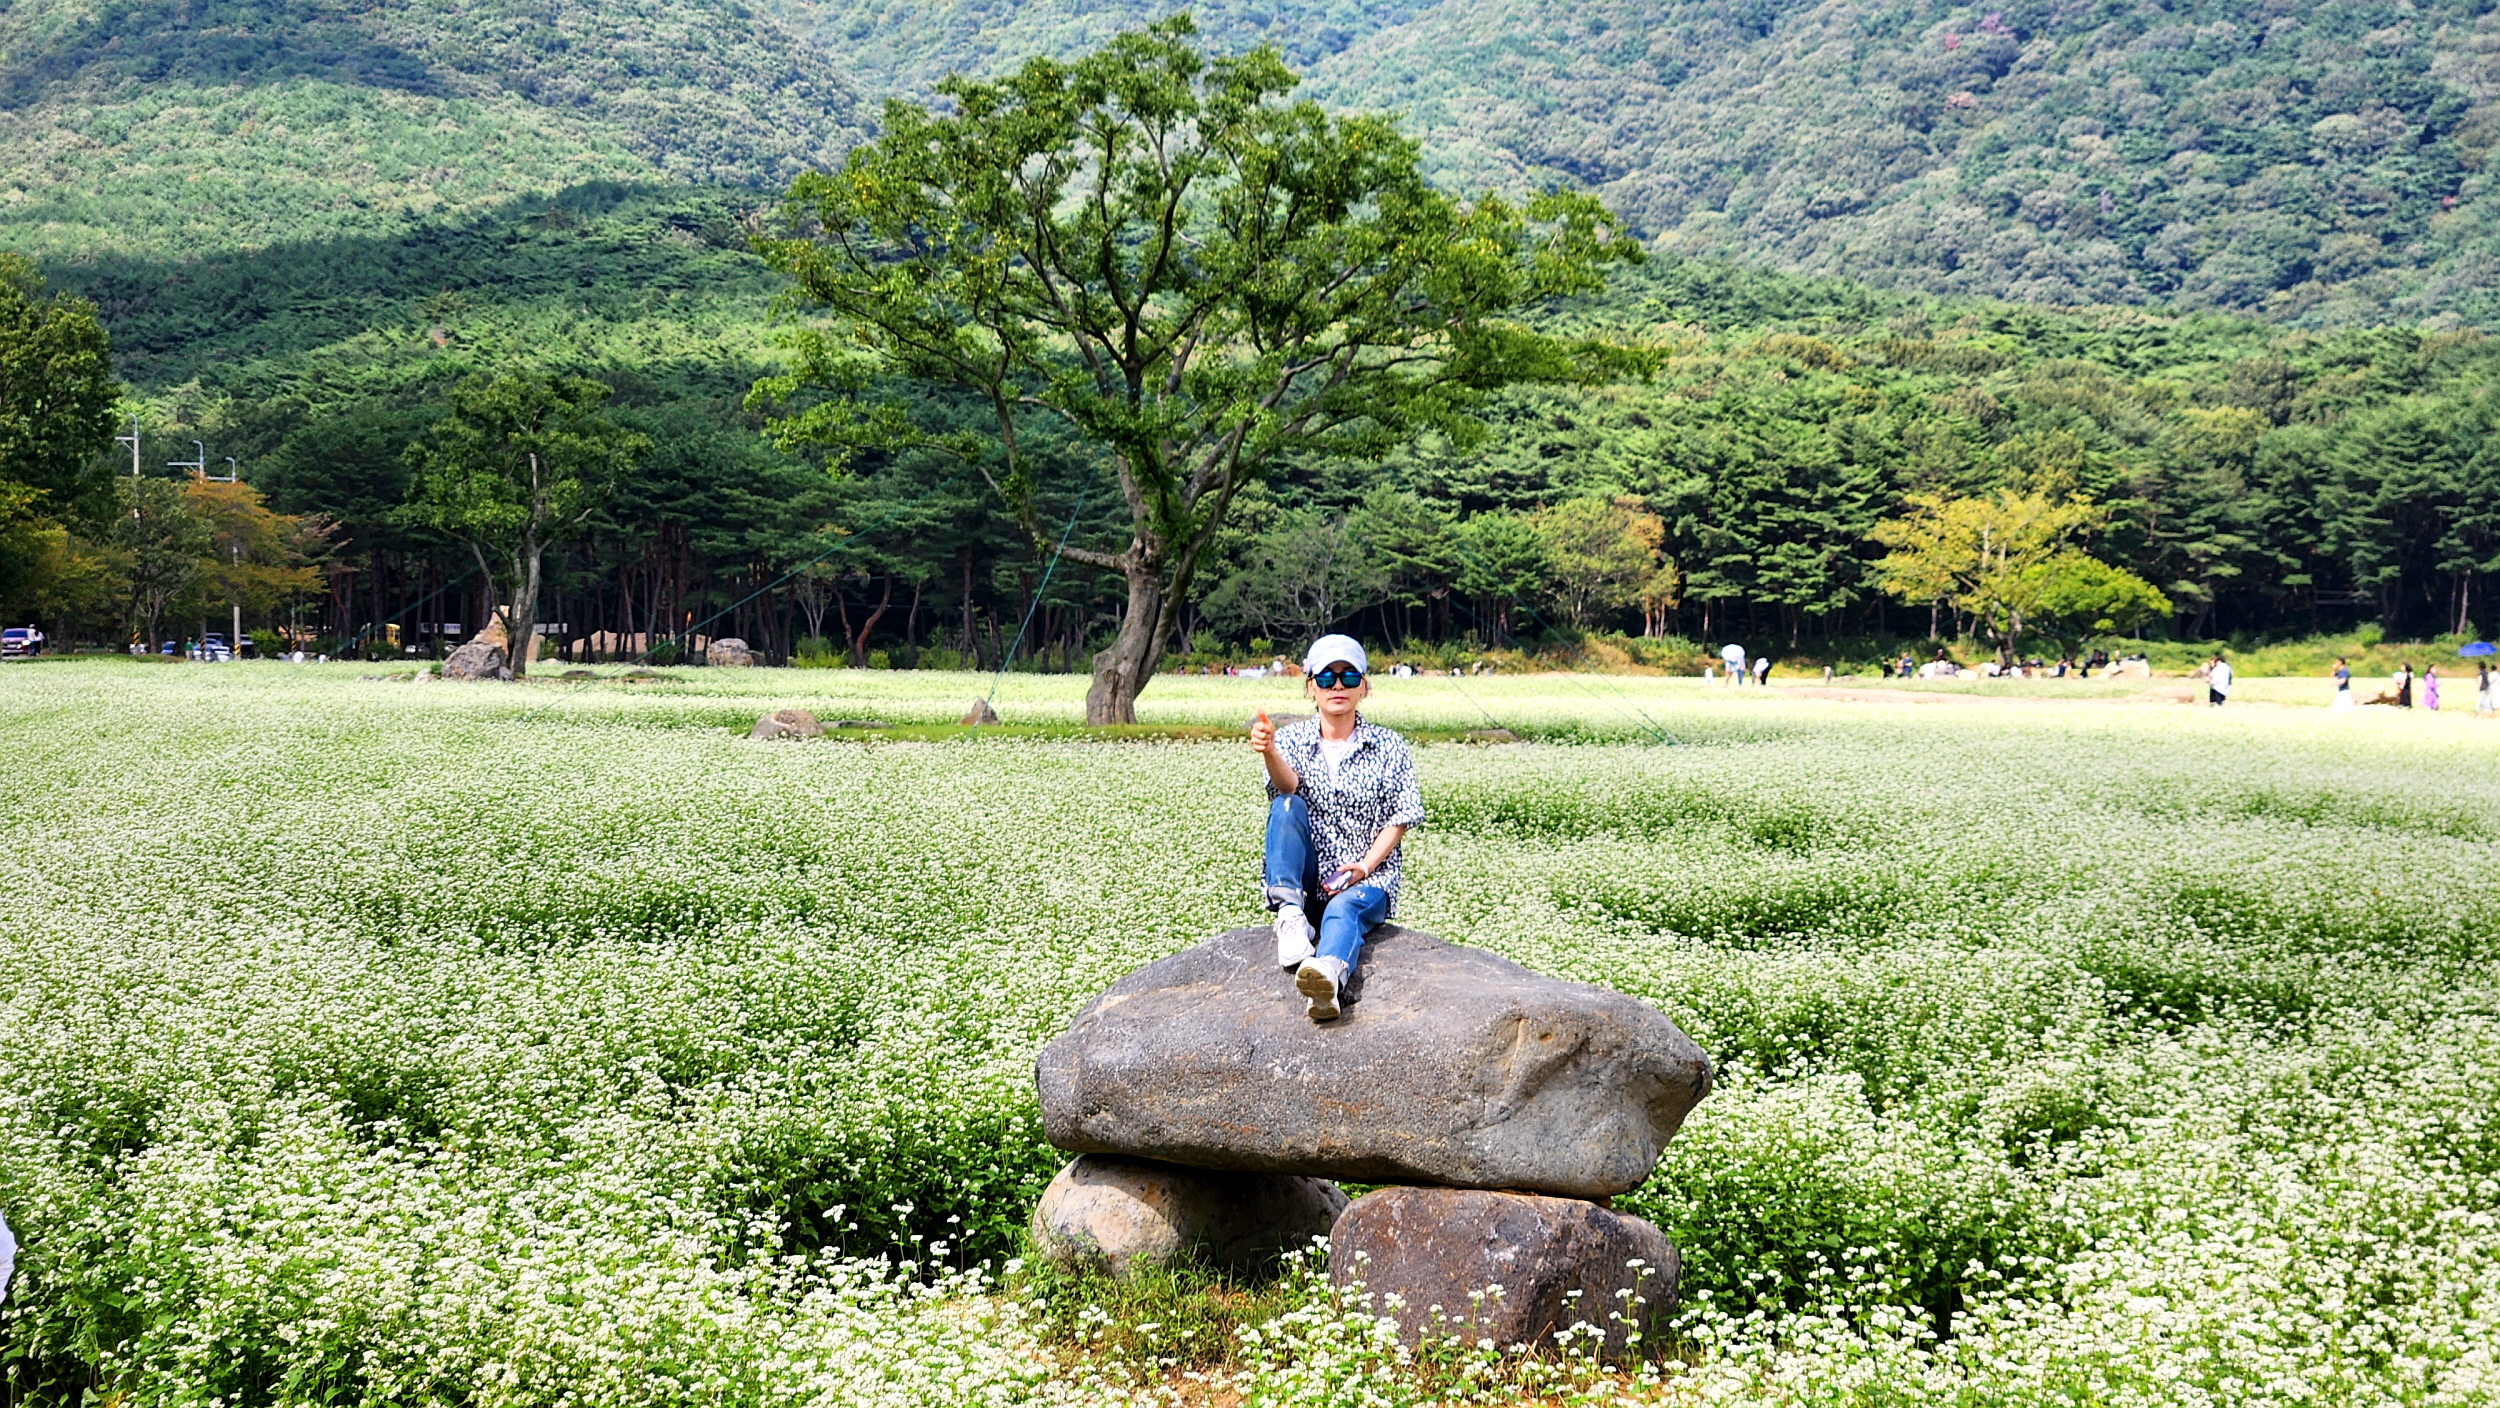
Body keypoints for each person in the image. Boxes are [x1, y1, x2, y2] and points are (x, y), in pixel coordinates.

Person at [1249, 634, 1425, 1022]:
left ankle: (1327, 978)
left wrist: (1364, 867)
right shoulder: (1292, 738)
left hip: (1368, 879)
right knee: (1286, 806)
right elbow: (1287, 787)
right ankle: (1291, 914)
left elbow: (1399, 817)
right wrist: (1269, 751)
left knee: (1344, 909)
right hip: (1312, 878)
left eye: (1349, 676)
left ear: (1364, 686)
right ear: (1311, 687)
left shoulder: (1389, 745)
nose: (1338, 686)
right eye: (1327, 677)